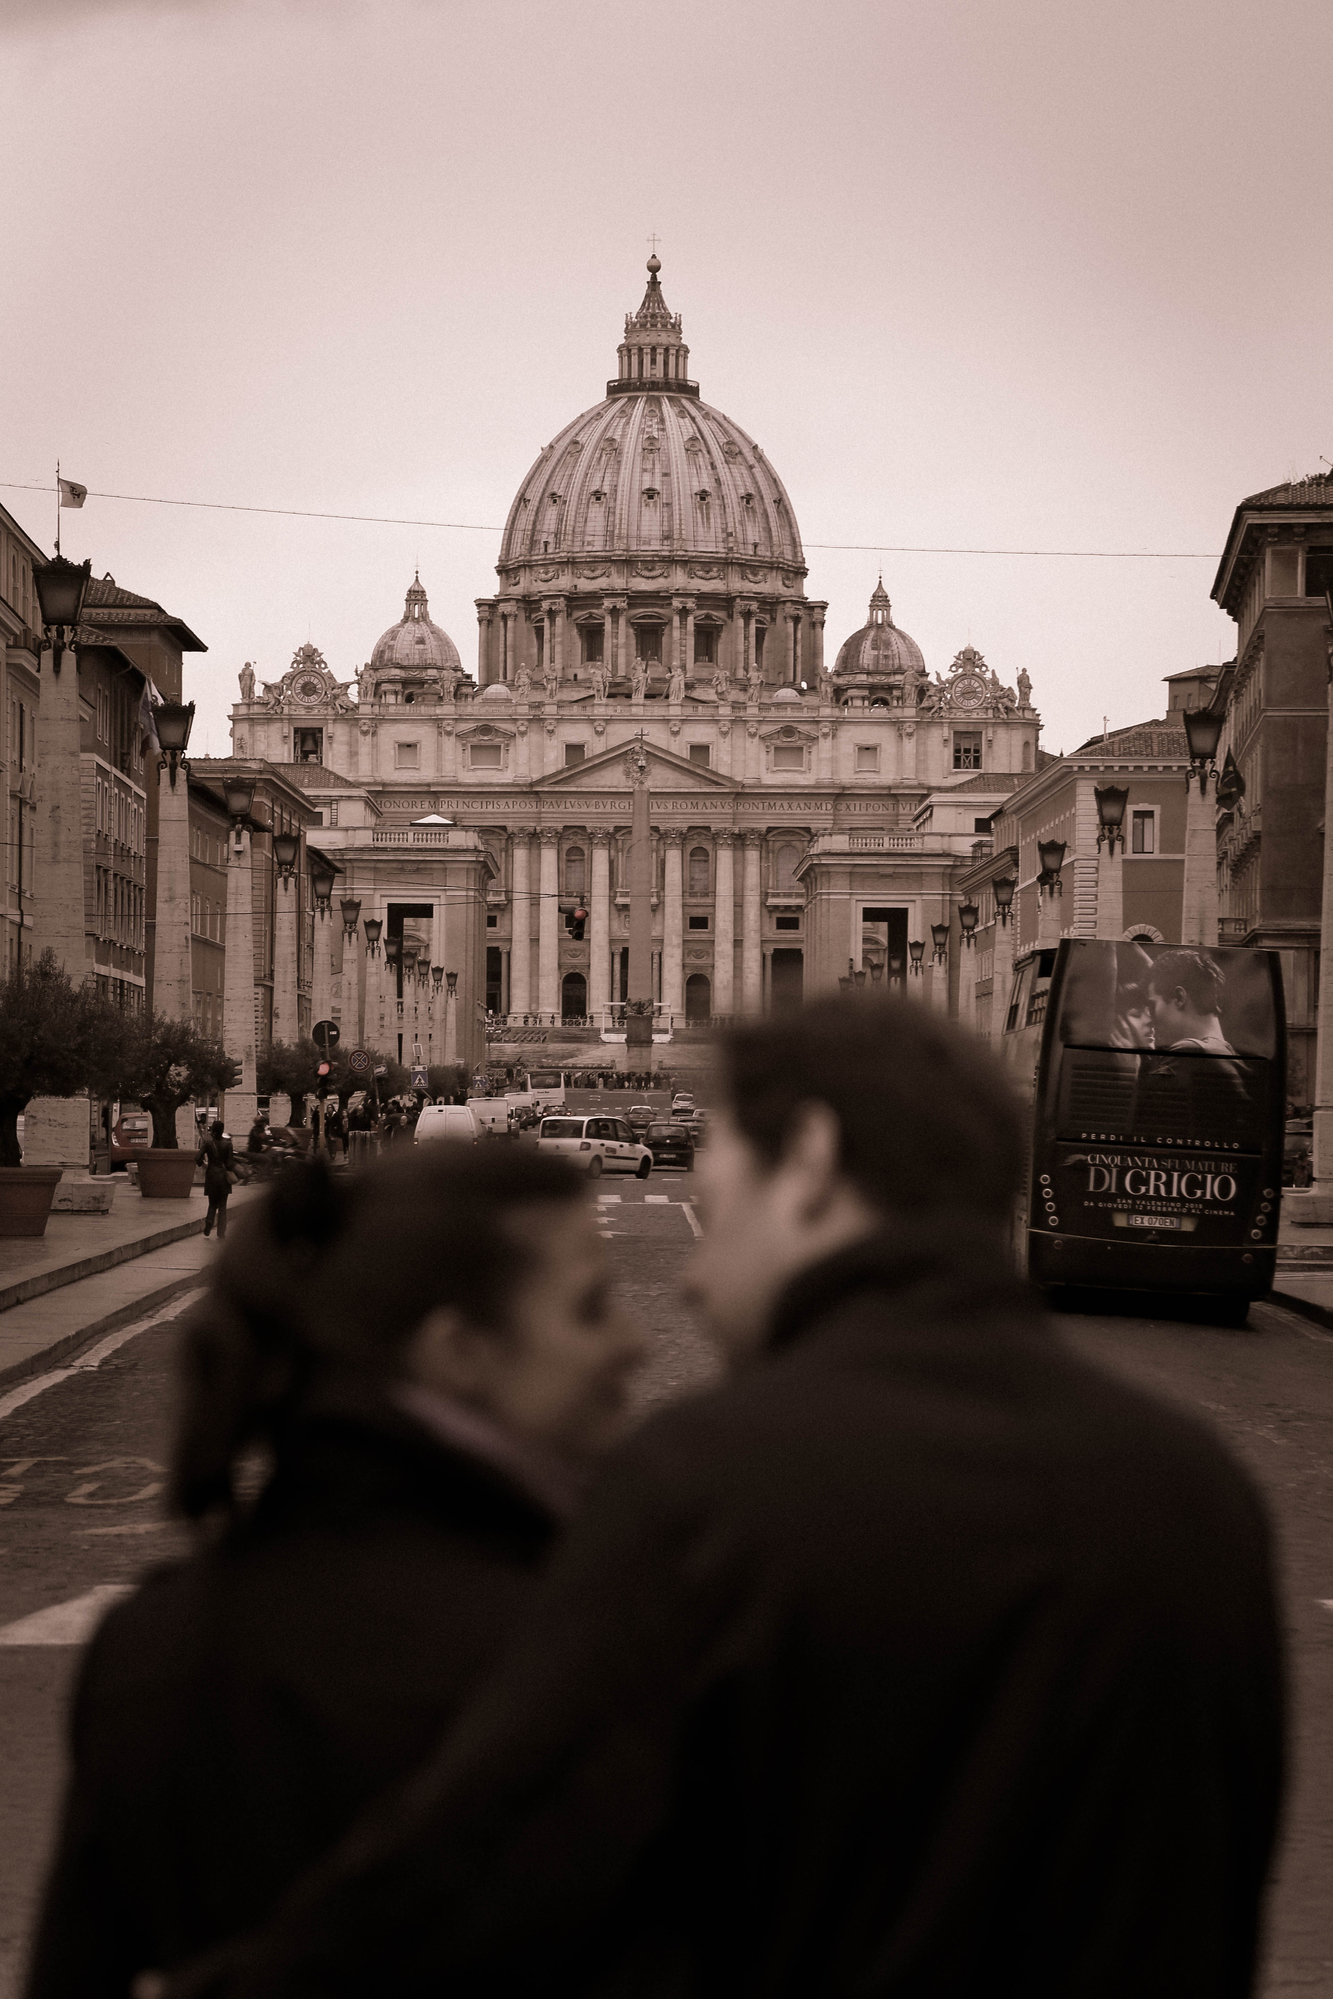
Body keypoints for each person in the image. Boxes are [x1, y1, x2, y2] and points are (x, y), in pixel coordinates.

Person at [147, 993, 1283, 1999]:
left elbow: (491, 1851)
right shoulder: (1202, 1494)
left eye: (721, 1188)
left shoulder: (707, 1486)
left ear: (813, 1159)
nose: (691, 1268)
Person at [25, 1147, 641, 1999]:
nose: (634, 1343)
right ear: (458, 1348)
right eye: (592, 1307)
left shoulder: (147, 1649)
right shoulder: (575, 1655)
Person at [1146, 948, 1237, 1053]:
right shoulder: (1232, 1056)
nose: (1150, 1018)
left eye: (1153, 1005)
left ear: (1179, 997)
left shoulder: (1187, 1051)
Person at [196, 1119, 236, 1240]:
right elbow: (229, 1163)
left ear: (213, 1130)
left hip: (212, 1176)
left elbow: (197, 1157)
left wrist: (204, 1165)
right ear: (222, 1131)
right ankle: (221, 1232)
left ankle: (209, 1223)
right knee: (223, 1206)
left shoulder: (208, 1143)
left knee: (212, 1203)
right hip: (223, 1177)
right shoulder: (228, 1144)